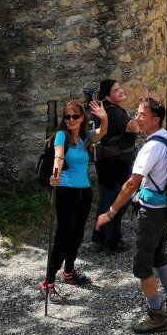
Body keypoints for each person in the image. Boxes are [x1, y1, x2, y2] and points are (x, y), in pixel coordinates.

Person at [96, 96, 167, 333]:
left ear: (155, 120)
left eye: (142, 115)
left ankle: (157, 315)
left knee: (142, 266)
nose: (137, 118)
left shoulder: (151, 147)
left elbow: (131, 184)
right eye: (137, 113)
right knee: (159, 256)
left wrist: (110, 212)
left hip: (152, 213)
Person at [43, 99, 105, 299]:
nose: (70, 120)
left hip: (84, 191)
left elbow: (101, 133)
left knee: (77, 234)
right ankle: (48, 281)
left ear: (82, 118)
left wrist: (104, 118)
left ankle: (68, 272)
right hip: (66, 191)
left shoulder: (86, 137)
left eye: (74, 116)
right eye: (67, 116)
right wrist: (55, 174)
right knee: (63, 235)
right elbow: (58, 156)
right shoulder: (61, 136)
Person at [89, 79, 140, 252]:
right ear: (107, 97)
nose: (120, 91)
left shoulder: (105, 110)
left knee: (105, 199)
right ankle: (113, 242)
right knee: (117, 201)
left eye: (120, 88)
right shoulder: (115, 112)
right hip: (116, 164)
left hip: (105, 163)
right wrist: (139, 117)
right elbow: (134, 128)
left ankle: (99, 239)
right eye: (115, 90)